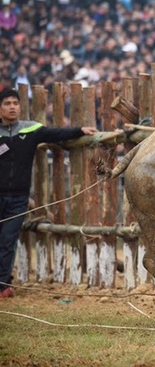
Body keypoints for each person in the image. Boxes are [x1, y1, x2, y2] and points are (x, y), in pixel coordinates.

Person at [0, 88, 97, 298]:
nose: (12, 107)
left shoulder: (29, 130)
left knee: (8, 240)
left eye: (15, 103)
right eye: (7, 103)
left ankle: (3, 285)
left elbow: (57, 133)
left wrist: (79, 130)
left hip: (18, 198)